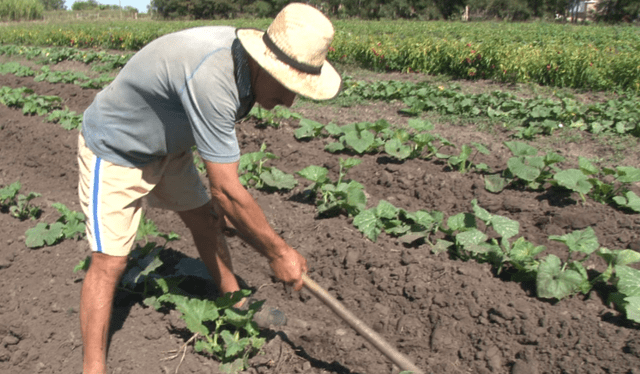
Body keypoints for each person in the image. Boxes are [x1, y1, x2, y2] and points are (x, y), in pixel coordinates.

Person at [76, 3, 342, 373]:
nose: (289, 100)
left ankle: (234, 304)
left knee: (206, 221)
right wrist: (277, 252)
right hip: (119, 147)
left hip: (170, 148)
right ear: (264, 64)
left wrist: (246, 225)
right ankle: (93, 367)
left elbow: (223, 189)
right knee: (110, 261)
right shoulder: (214, 75)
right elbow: (228, 190)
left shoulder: (243, 68)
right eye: (286, 85)